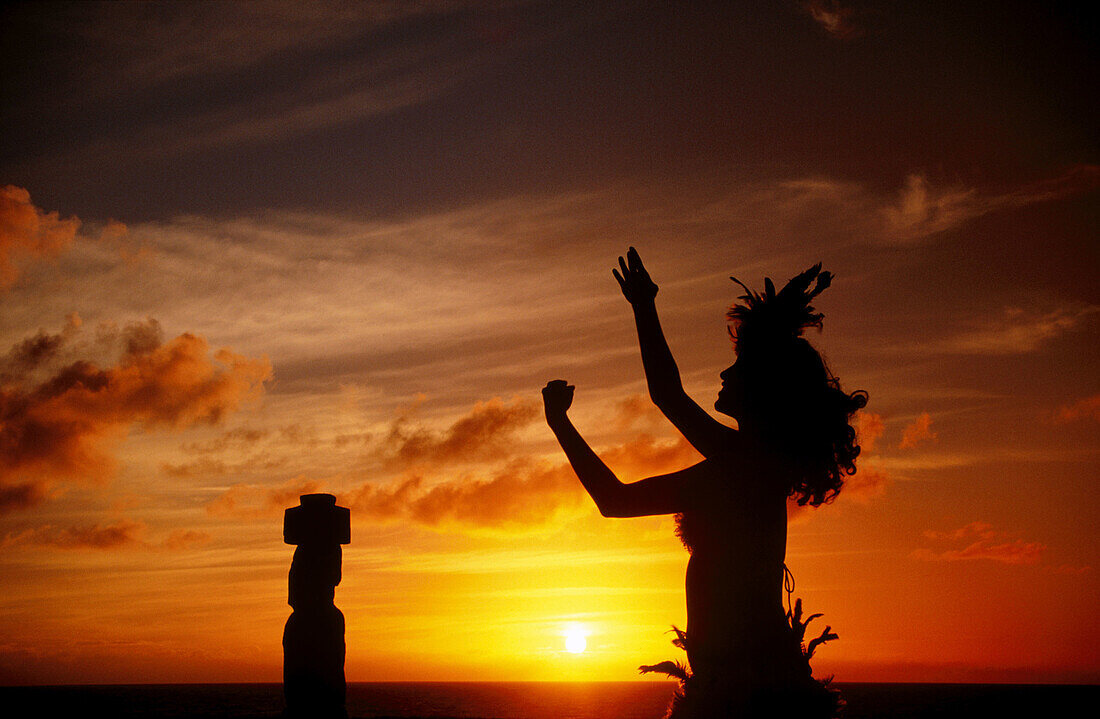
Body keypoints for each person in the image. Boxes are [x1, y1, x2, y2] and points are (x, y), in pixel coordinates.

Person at [542, 248, 866, 717]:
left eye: (739, 368)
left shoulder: (742, 469)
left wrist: (560, 424)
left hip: (749, 700)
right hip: (742, 687)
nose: (724, 372)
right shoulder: (749, 460)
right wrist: (643, 306)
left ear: (762, 388)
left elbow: (615, 499)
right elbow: (667, 396)